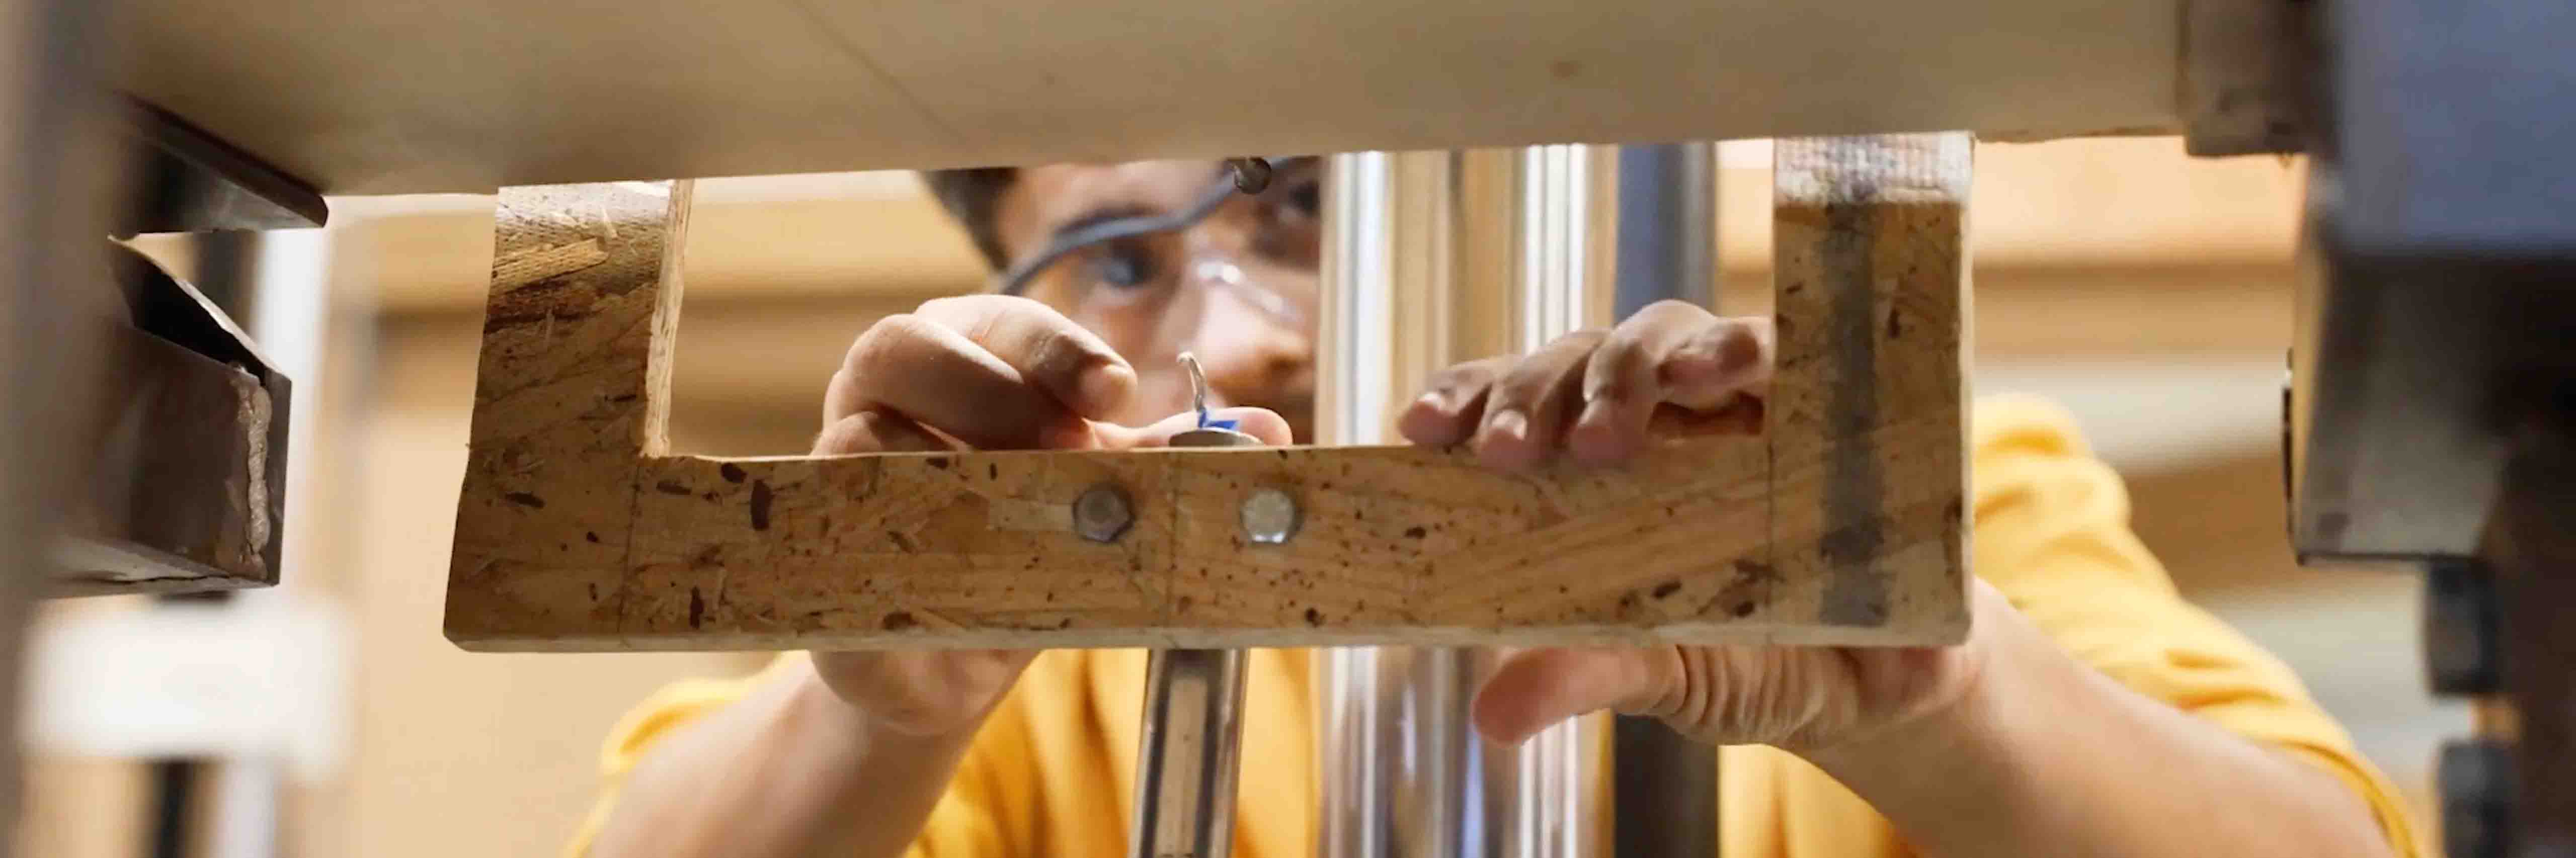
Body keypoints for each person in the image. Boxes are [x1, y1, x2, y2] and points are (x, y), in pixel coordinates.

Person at [568, 157, 2418, 858]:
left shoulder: (1900, 507)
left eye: (1296, 207)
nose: (1243, 329)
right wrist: (871, 696)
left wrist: (1937, 694)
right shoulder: (1033, 652)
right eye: (1116, 259)